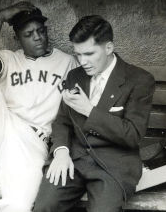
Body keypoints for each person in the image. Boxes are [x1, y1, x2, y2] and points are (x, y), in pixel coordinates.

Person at [0, 1, 76, 212]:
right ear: (18, 38)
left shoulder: (67, 62)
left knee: (17, 204)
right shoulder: (10, 59)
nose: (37, 37)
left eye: (40, 31)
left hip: (33, 140)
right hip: (2, 128)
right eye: (28, 34)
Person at [33, 15, 155, 212]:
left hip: (113, 166)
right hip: (73, 158)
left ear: (108, 48)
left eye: (89, 54)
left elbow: (132, 135)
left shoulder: (139, 80)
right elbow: (62, 122)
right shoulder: (75, 76)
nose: (83, 61)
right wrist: (61, 152)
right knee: (44, 207)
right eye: (78, 54)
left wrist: (89, 110)